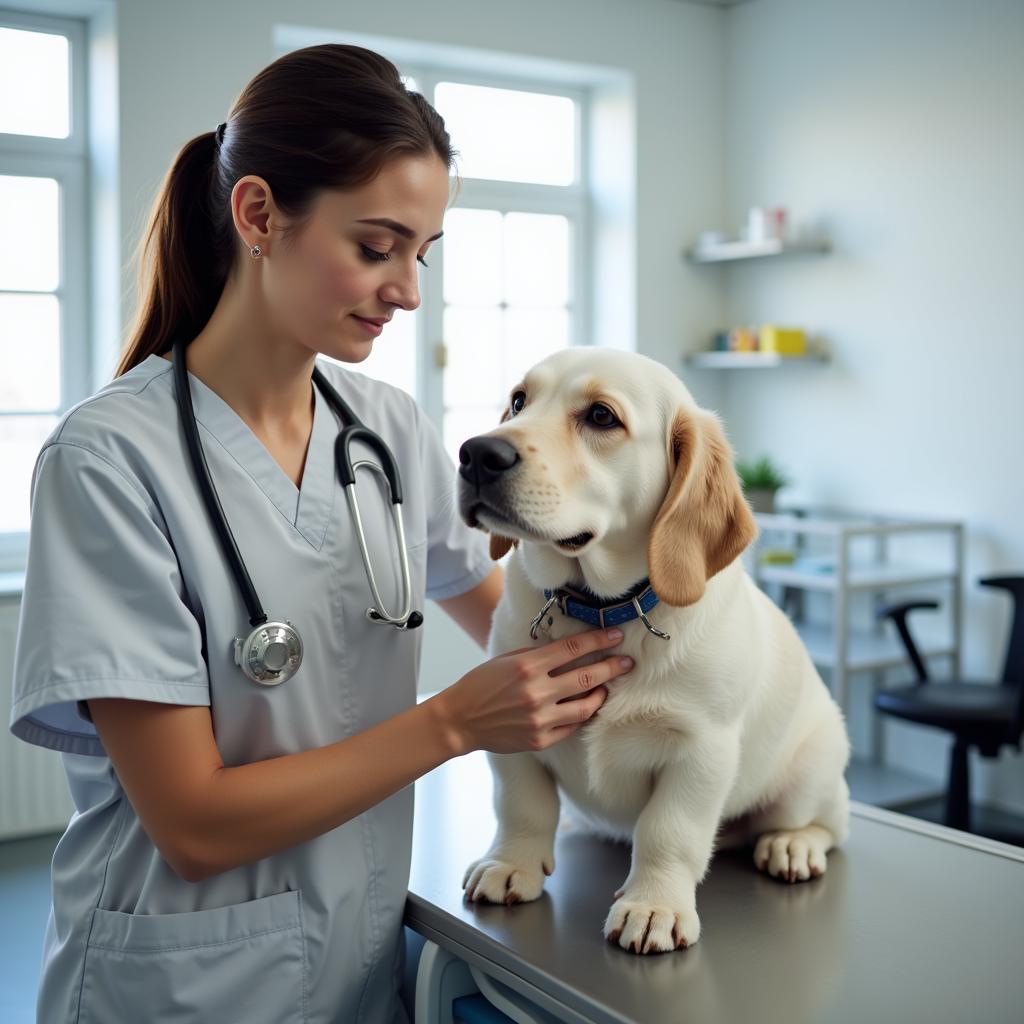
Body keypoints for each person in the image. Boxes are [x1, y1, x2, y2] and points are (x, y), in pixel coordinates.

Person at [7, 44, 634, 1023]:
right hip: (181, 984)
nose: (408, 290)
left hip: (357, 960)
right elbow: (195, 822)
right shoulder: (108, 460)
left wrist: (658, 579)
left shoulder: (387, 432)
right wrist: (453, 722)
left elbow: (526, 630)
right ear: (258, 215)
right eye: (377, 247)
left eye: (421, 254)